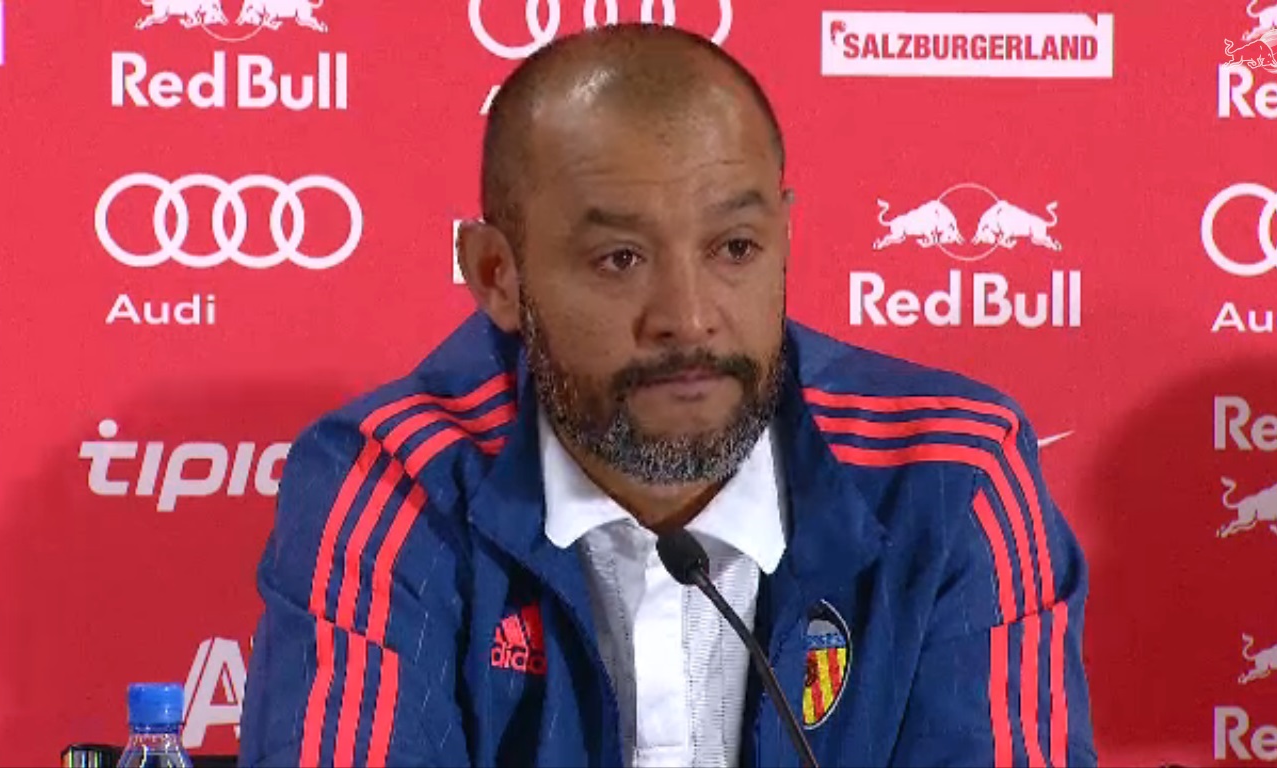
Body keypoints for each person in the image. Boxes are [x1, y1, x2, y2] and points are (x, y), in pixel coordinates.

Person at [239, 23, 1095, 767]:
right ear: (498, 275)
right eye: (620, 260)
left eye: (735, 249)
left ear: (785, 239)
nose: (688, 319)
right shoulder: (391, 483)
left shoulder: (949, 473)